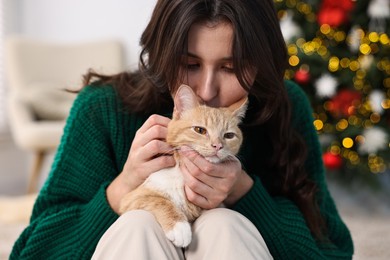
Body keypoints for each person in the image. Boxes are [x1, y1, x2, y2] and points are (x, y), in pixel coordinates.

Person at [10, 0, 354, 259]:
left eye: (231, 68)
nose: (206, 90)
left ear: (261, 63)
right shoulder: (102, 107)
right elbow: (32, 252)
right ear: (162, 53)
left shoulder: (285, 104)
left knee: (225, 224)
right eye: (189, 64)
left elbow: (334, 251)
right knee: (138, 224)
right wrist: (122, 190)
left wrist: (245, 196)